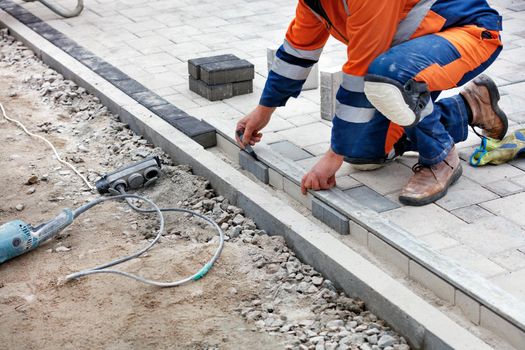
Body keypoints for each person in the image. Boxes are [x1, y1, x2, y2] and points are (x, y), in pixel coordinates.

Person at [235, 0, 508, 206]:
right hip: (408, 57)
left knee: (386, 77)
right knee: (363, 154)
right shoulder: (315, 2)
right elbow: (297, 53)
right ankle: (469, 107)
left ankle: (439, 157)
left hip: (468, 34)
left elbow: (359, 74)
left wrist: (332, 156)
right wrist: (263, 109)